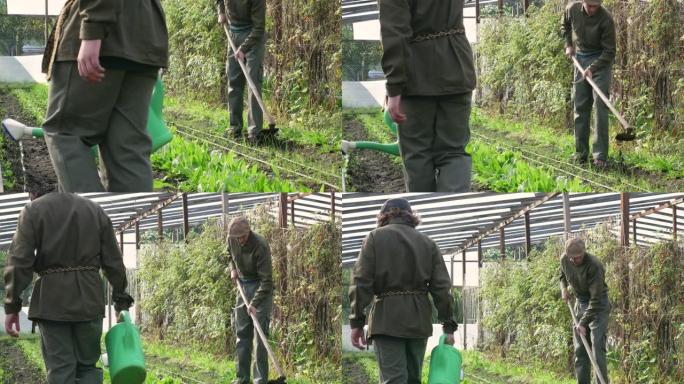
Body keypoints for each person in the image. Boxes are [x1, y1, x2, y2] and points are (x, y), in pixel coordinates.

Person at [3, 192, 133, 384]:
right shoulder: (95, 210)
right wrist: (121, 300)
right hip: (89, 300)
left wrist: (12, 305)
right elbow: (114, 262)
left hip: (51, 302)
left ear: (34, 190)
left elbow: (19, 262)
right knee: (88, 366)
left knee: (60, 368)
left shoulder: (33, 210)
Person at [41, 0, 169, 192]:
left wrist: (92, 29)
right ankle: (133, 220)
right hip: (145, 33)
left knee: (66, 134)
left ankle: (92, 218)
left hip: (105, 37)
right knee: (126, 148)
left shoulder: (96, 27)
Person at [349, 198, 457, 384]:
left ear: (383, 217)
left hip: (386, 321)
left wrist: (356, 323)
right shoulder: (428, 243)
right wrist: (448, 326)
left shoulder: (374, 238)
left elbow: (360, 283)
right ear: (411, 217)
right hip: (418, 322)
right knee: (413, 379)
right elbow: (442, 287)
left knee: (393, 380)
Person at [379, 0, 476, 192]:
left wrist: (394, 87)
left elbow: (395, 31)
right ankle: (451, 215)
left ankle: (426, 212)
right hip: (457, 68)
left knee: (417, 156)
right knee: (454, 153)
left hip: (416, 77)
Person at [561, 0, 616, 169]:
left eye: (595, 6)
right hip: (581, 58)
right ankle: (580, 153)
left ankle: (600, 157)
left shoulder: (606, 19)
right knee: (581, 107)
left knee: (600, 107)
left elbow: (610, 52)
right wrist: (569, 45)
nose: (592, 10)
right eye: (589, 6)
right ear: (583, 2)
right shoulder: (572, 9)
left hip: (600, 62)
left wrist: (592, 68)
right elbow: (565, 26)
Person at [226, 217, 273, 384]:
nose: (239, 240)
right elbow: (229, 254)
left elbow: (267, 281)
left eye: (242, 237)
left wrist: (254, 303)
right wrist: (233, 269)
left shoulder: (261, 245)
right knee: (242, 335)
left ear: (248, 232)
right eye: (236, 238)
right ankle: (242, 379)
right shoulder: (232, 238)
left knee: (260, 339)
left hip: (261, 289)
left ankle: (260, 380)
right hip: (242, 287)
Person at [560, 238, 611, 384]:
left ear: (584, 252)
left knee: (596, 346)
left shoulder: (594, 265)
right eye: (573, 258)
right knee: (580, 350)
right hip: (580, 303)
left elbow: (595, 300)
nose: (576, 260)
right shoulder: (564, 260)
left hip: (598, 306)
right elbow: (562, 276)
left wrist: (582, 322)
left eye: (579, 256)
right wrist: (563, 288)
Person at [217, 0, 266, 142]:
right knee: (233, 82)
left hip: (253, 37)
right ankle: (235, 127)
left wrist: (243, 49)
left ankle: (254, 132)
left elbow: (259, 28)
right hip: (233, 33)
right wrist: (221, 12)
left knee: (253, 83)